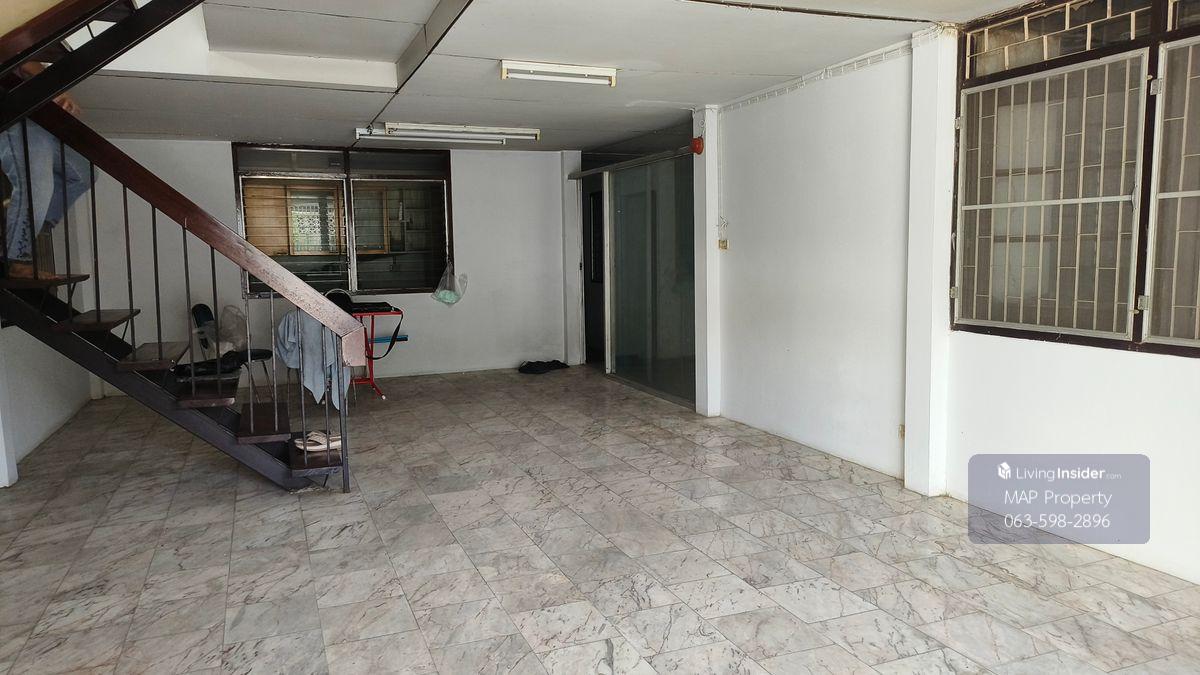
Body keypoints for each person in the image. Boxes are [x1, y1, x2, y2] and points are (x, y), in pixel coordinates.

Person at [0, 61, 90, 280]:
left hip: (34, 119)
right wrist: (54, 90)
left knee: (83, 173)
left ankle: (25, 226)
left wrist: (55, 90)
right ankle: (17, 261)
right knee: (37, 186)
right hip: (11, 120)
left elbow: (27, 62)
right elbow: (26, 65)